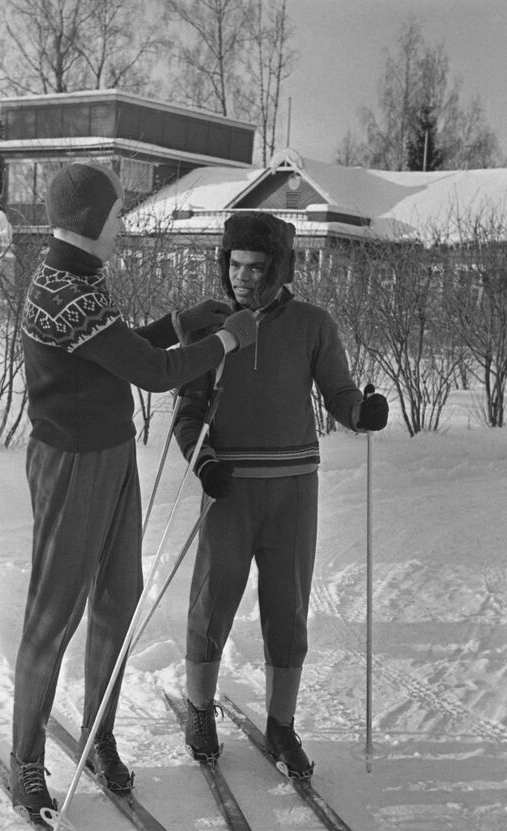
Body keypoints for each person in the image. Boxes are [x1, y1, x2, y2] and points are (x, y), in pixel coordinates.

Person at [10, 161, 258, 816]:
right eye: (118, 214)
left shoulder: (81, 277)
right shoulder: (63, 290)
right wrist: (228, 338)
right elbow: (149, 373)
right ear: (93, 221)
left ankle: (98, 734)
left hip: (112, 454)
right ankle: (26, 765)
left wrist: (182, 322)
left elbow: (115, 351)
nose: (123, 226)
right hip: (70, 464)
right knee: (53, 614)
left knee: (119, 596)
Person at [174, 210, 388, 779]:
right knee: (212, 598)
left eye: (255, 267)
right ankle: (199, 709)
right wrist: (206, 463)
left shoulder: (314, 324)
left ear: (279, 269)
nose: (241, 278)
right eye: (234, 265)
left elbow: (339, 392)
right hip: (230, 488)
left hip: (293, 487)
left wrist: (361, 412)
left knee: (287, 608)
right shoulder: (212, 325)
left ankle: (281, 723)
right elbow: (190, 413)